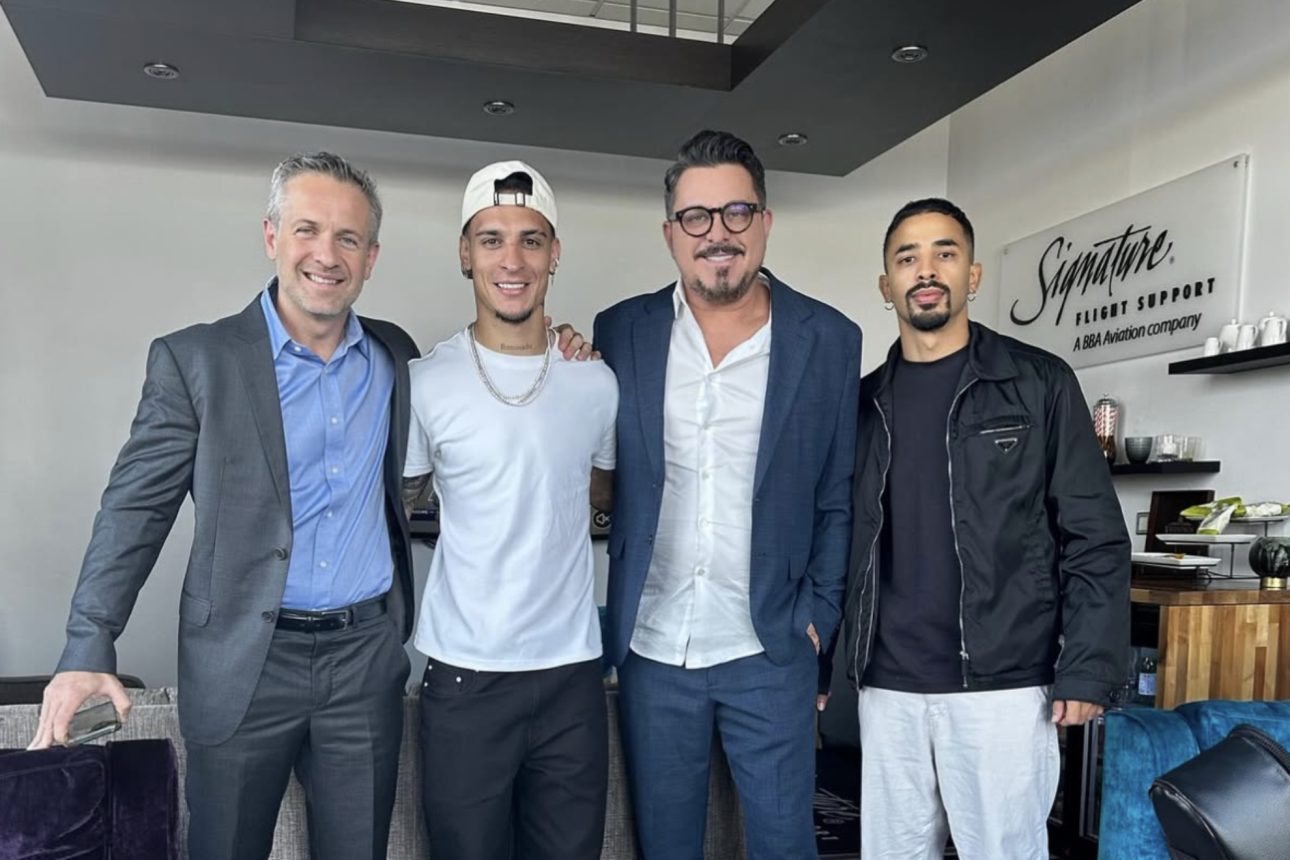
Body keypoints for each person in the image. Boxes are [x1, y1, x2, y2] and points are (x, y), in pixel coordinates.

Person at [27, 150, 592, 859]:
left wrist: (563, 349)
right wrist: (88, 643)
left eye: (348, 238)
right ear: (272, 236)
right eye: (307, 230)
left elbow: (492, 395)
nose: (327, 254)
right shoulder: (197, 361)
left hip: (364, 665)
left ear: (371, 257)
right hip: (243, 663)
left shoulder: (396, 357)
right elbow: (133, 512)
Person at [593, 129, 861, 859]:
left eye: (737, 212)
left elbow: (836, 494)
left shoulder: (829, 339)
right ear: (671, 234)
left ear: (765, 222)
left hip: (770, 644)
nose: (718, 233)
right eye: (696, 217)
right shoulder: (621, 331)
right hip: (653, 646)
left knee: (784, 845)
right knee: (666, 846)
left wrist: (819, 616)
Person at [840, 198, 1130, 859]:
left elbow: (1095, 535)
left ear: (972, 275)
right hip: (887, 687)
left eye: (944, 253)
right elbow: (842, 540)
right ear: (886, 285)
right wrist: (830, 661)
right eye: (907, 258)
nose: (926, 271)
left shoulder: (1038, 383)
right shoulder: (861, 404)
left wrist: (1088, 669)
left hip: (1003, 684)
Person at [400, 160, 618, 860]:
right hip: (465, 677)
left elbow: (604, 496)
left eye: (531, 239)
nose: (512, 260)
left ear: (555, 253)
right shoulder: (426, 383)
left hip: (573, 675)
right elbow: (399, 507)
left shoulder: (596, 380)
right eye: (491, 239)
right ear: (465, 254)